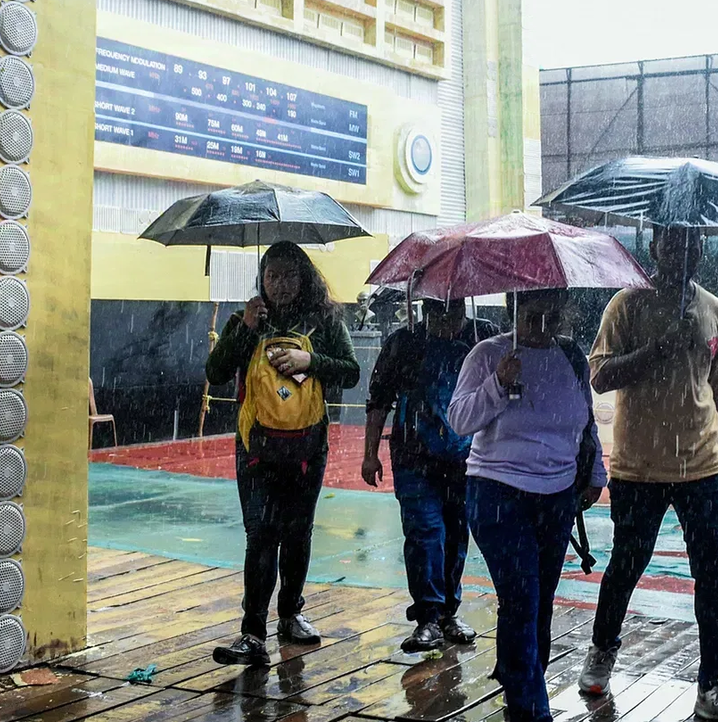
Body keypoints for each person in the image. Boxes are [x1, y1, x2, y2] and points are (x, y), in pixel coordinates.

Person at [579, 227, 718, 722]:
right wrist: (656, 349)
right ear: (654, 246)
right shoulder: (626, 305)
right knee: (627, 564)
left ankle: (713, 686)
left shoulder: (714, 309)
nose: (684, 250)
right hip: (640, 467)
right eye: (673, 241)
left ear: (703, 246)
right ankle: (602, 650)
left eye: (693, 240)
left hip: (704, 467)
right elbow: (600, 375)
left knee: (713, 577)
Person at [447, 289, 606, 722]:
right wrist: (497, 384)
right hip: (498, 492)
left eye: (552, 318)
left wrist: (595, 472)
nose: (542, 328)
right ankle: (531, 709)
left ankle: (519, 676)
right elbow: (460, 420)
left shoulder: (570, 356)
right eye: (533, 317)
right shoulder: (487, 355)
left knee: (539, 600)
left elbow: (585, 420)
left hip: (556, 495)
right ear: (513, 312)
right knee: (521, 598)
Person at [205, 241, 361, 666]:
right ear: (262, 279)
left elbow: (351, 372)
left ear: (305, 277)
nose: (281, 285)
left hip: (307, 447)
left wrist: (310, 360)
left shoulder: (325, 321)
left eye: (290, 275)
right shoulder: (247, 320)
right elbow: (215, 372)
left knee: (297, 533)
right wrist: (245, 327)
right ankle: (252, 633)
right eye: (272, 276)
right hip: (255, 448)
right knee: (260, 535)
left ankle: (291, 613)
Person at [362, 298, 500, 652]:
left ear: (464, 309)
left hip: (467, 458)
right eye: (437, 313)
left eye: (453, 313)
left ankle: (448, 611)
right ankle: (428, 616)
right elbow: (379, 399)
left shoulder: (484, 337)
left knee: (456, 534)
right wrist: (369, 454)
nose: (446, 321)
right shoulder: (403, 342)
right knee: (424, 532)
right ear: (425, 311)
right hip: (414, 456)